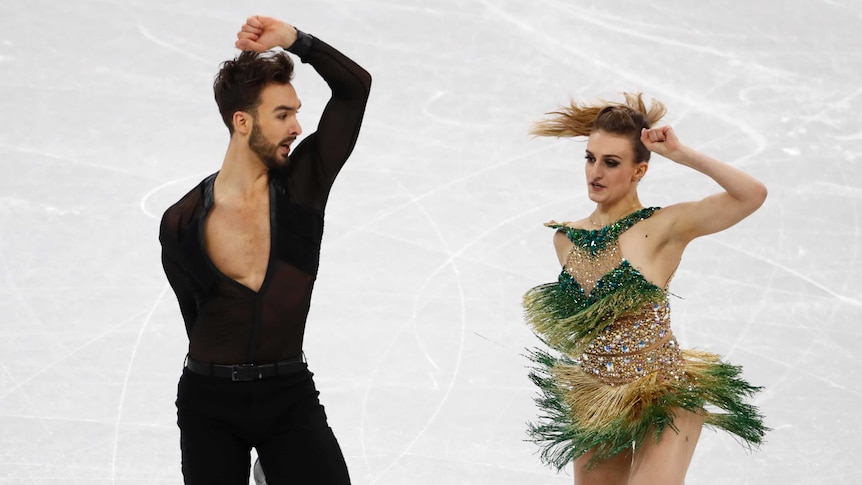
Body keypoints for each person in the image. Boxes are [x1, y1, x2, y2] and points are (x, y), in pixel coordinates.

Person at [159, 15, 371, 485]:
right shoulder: (182, 221)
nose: (297, 126)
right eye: (283, 114)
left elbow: (355, 89)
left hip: (288, 393)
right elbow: (196, 316)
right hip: (208, 403)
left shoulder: (303, 186)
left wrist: (298, 42)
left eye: (296, 112)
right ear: (242, 121)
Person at [522, 93, 768, 484]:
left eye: (611, 162)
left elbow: (750, 195)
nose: (595, 172)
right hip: (598, 395)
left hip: (665, 395)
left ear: (639, 171)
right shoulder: (566, 240)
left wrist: (681, 153)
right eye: (590, 158)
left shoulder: (664, 227)